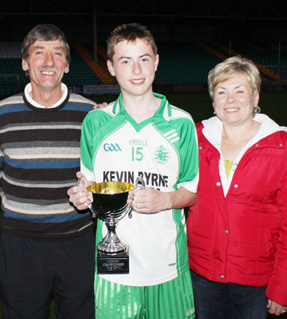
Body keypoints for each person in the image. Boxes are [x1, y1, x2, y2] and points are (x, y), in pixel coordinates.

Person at [68, 23, 199, 319]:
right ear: (111, 67)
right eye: (125, 61)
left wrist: (164, 200)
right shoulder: (96, 123)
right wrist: (81, 195)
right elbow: (88, 185)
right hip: (114, 270)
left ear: (156, 62)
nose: (136, 69)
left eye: (143, 58)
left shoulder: (181, 123)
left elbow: (191, 191)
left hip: (167, 265)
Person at [186, 56, 287, 319]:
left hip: (256, 279)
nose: (230, 99)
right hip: (203, 275)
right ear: (213, 99)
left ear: (255, 99)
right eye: (222, 91)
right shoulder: (193, 137)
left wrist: (284, 287)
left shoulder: (283, 147)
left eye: (240, 91)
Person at [0, 24, 96, 319]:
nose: (49, 62)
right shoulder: (0, 115)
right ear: (25, 63)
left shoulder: (91, 116)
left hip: (77, 241)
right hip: (20, 245)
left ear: (66, 65)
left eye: (57, 53)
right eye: (39, 52)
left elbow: (101, 177)